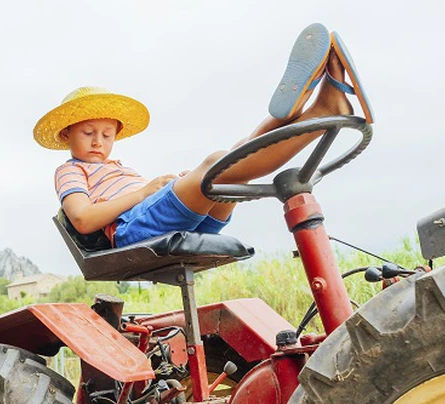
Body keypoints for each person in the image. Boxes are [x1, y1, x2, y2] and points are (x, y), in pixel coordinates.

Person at [33, 24, 373, 249]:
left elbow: (149, 196)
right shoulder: (70, 171)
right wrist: (144, 192)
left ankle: (296, 112)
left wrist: (169, 185)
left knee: (229, 157)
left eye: (107, 134)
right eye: (89, 133)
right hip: (131, 232)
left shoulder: (119, 168)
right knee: (215, 164)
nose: (98, 142)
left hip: (171, 218)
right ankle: (319, 110)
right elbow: (82, 218)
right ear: (66, 134)